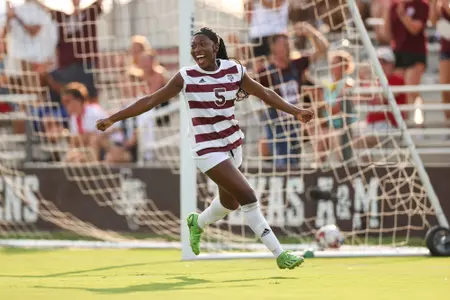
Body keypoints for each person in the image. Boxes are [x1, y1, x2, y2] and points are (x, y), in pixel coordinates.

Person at [96, 27, 313, 269]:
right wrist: (113, 118)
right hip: (206, 149)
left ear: (215, 45)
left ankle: (197, 223)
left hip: (232, 143)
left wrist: (296, 112)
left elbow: (264, 93)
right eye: (194, 46)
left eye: (202, 44)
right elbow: (150, 100)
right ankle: (280, 254)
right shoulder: (185, 76)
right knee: (248, 197)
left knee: (229, 204)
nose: (197, 50)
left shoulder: (234, 70)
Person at [257, 22, 329, 167]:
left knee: (295, 161)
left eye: (289, 43)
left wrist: (310, 31)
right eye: (284, 44)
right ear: (274, 47)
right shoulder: (265, 73)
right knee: (282, 161)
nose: (288, 47)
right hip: (276, 123)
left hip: (295, 120)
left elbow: (323, 49)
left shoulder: (297, 64)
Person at [356, 47, 406, 153]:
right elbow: (358, 99)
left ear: (392, 64)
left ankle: (365, 166)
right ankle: (364, 166)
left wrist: (368, 86)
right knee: (347, 135)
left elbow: (380, 98)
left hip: (389, 125)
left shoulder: (397, 79)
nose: (381, 66)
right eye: (378, 62)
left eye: (384, 62)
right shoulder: (374, 81)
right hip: (372, 125)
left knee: (360, 140)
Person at [383, 0, 428, 106]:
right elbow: (386, 34)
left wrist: (403, 14)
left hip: (415, 52)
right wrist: (385, 11)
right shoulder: (393, 6)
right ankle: (403, 119)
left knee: (411, 90)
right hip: (398, 53)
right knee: (398, 91)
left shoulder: (421, 5)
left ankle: (418, 120)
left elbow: (415, 29)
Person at [430, 0, 450, 126]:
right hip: (446, 50)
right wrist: (434, 5)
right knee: (445, 89)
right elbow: (433, 21)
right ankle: (448, 123)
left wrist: (446, 7)